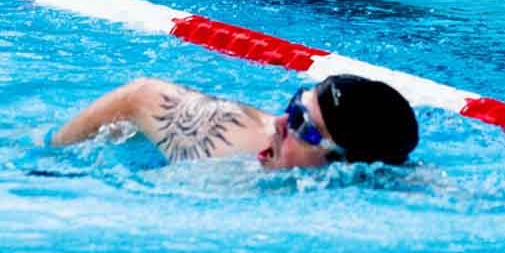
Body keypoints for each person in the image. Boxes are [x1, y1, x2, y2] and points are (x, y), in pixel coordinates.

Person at [51, 73, 420, 169]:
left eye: (302, 126)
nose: (279, 122)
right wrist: (49, 159)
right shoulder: (232, 139)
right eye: (293, 108)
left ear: (348, 164)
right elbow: (139, 95)